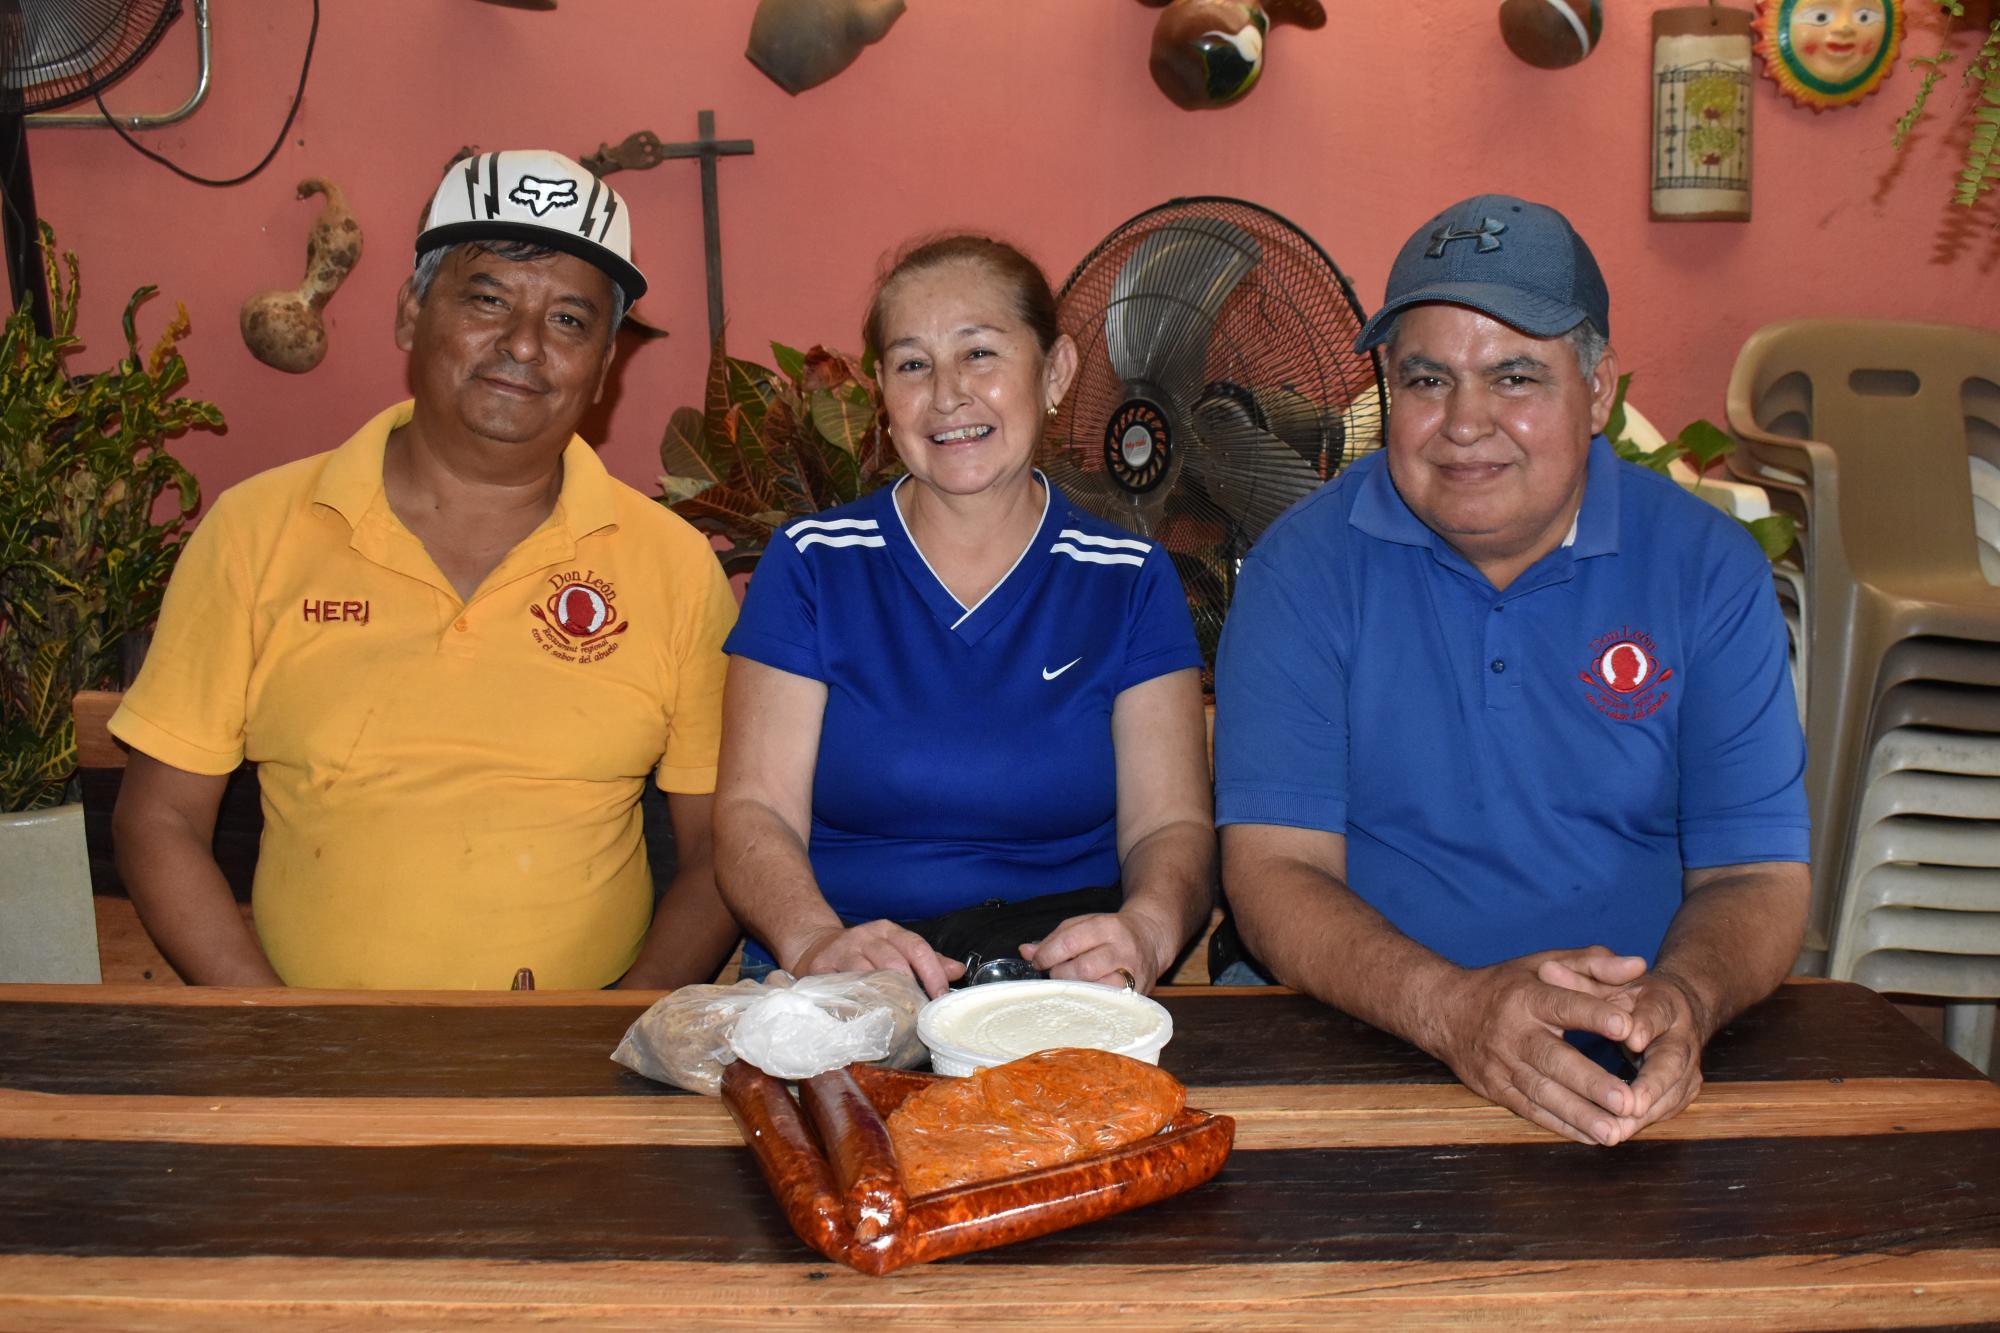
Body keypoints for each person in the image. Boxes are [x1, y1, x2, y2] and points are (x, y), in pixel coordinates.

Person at [1213, 195, 1810, 1146]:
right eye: (1427, 379)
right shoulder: (1301, 569)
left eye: (1515, 376)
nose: (1464, 423)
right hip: (1366, 1046)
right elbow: (1273, 868)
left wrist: (1684, 1002)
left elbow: (1756, 872)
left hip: (1638, 1068)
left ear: (1599, 390)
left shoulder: (1708, 569)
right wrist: (1455, 1010)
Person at [110, 149, 740, 990]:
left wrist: (623, 1029)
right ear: (411, 312)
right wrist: (273, 1027)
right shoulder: (255, 531)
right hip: (312, 1043)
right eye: (487, 299)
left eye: (568, 320)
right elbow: (159, 818)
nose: (523, 344)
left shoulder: (673, 566)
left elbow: (723, 849)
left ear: (603, 367)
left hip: (584, 1050)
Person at [713, 235, 1215, 998]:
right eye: (913, 364)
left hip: (1058, 978)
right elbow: (756, 810)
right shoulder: (812, 563)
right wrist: (815, 942)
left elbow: (1169, 825)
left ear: (1055, 371)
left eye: (979, 353)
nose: (947, 395)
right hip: (847, 972)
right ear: (882, 392)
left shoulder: (1128, 579)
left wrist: (1144, 929)